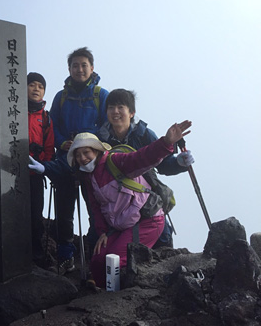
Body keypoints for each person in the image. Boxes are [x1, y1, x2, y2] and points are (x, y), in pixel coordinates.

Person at [67, 120, 192, 287]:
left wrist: (166, 142)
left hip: (148, 220)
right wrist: (103, 232)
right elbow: (96, 209)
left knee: (114, 260)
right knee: (98, 259)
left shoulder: (115, 162)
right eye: (78, 155)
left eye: (86, 152)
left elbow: (141, 158)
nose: (82, 158)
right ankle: (100, 294)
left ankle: (116, 298)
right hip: (123, 225)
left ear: (97, 151)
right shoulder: (89, 178)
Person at [97, 89, 194, 248]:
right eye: (111, 107)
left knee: (162, 240)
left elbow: (163, 164)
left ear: (132, 112)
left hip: (145, 197)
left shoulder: (144, 135)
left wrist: (179, 163)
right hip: (116, 203)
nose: (115, 112)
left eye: (121, 107)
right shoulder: (100, 140)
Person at [48, 47, 109, 274]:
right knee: (64, 211)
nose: (80, 69)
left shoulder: (101, 95)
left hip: (92, 162)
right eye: (75, 65)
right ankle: (66, 257)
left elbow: (107, 125)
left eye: (84, 65)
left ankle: (95, 255)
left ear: (92, 68)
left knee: (96, 208)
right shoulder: (61, 97)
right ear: (69, 69)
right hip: (66, 160)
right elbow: (52, 126)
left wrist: (87, 144)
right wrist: (63, 142)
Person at [27, 72, 55, 267]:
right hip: (11, 173)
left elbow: (49, 147)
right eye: (32, 85)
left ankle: (36, 255)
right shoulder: (14, 111)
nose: (36, 89)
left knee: (35, 216)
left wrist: (43, 164)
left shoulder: (45, 118)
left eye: (40, 86)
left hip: (35, 174)